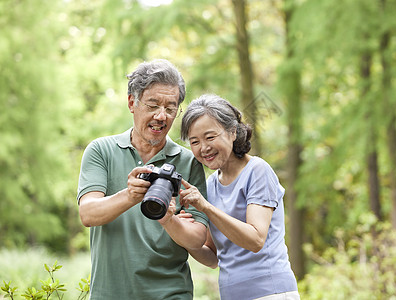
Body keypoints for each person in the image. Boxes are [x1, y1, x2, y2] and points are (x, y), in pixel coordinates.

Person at [77, 59, 208, 300]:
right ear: (132, 103)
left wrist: (169, 220)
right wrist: (129, 196)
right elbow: (88, 214)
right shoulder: (101, 151)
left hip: (171, 294)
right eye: (153, 105)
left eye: (170, 108)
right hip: (110, 294)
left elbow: (198, 238)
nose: (162, 116)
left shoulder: (189, 162)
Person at [178, 94, 300, 300]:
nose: (203, 148)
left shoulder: (257, 171)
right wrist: (177, 228)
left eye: (210, 137)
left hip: (271, 292)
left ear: (233, 132)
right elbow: (213, 256)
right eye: (194, 141)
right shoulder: (210, 186)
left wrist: (206, 207)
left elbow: (256, 239)